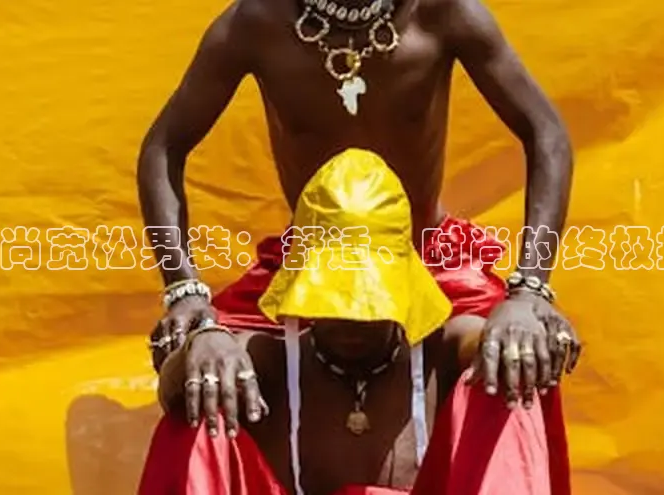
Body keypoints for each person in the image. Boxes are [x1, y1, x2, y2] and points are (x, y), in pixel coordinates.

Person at [136, 0, 583, 492]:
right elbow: (164, 147)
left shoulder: (443, 13)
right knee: (206, 372)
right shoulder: (259, 22)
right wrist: (185, 294)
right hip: (314, 262)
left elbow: (547, 133)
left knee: (520, 355)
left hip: (430, 264)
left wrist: (530, 291)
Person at [140, 150, 554, 495]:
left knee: (511, 378)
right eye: (337, 298)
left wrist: (521, 318)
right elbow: (173, 388)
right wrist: (202, 342)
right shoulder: (268, 362)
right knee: (202, 397)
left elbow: (490, 344)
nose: (353, 319)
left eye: (369, 300)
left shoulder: (441, 354)